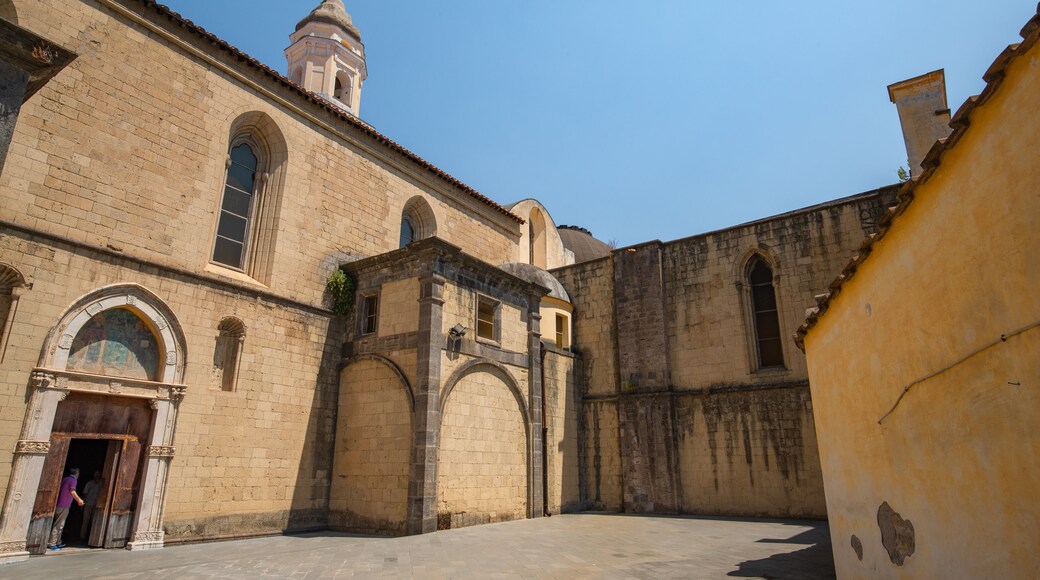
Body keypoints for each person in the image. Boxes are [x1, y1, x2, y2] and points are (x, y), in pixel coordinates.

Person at [48, 467, 84, 550]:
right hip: (64, 505)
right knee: (59, 524)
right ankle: (52, 543)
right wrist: (79, 500)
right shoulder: (73, 480)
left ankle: (58, 542)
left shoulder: (64, 479)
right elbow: (72, 491)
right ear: (77, 473)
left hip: (58, 504)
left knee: (59, 523)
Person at [79, 470, 102, 540]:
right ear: (93, 475)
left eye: (98, 474)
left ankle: (92, 538)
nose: (97, 475)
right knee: (85, 521)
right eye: (96, 474)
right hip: (88, 504)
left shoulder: (101, 484)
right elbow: (85, 494)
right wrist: (82, 503)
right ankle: (82, 537)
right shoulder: (89, 483)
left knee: (94, 521)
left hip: (97, 505)